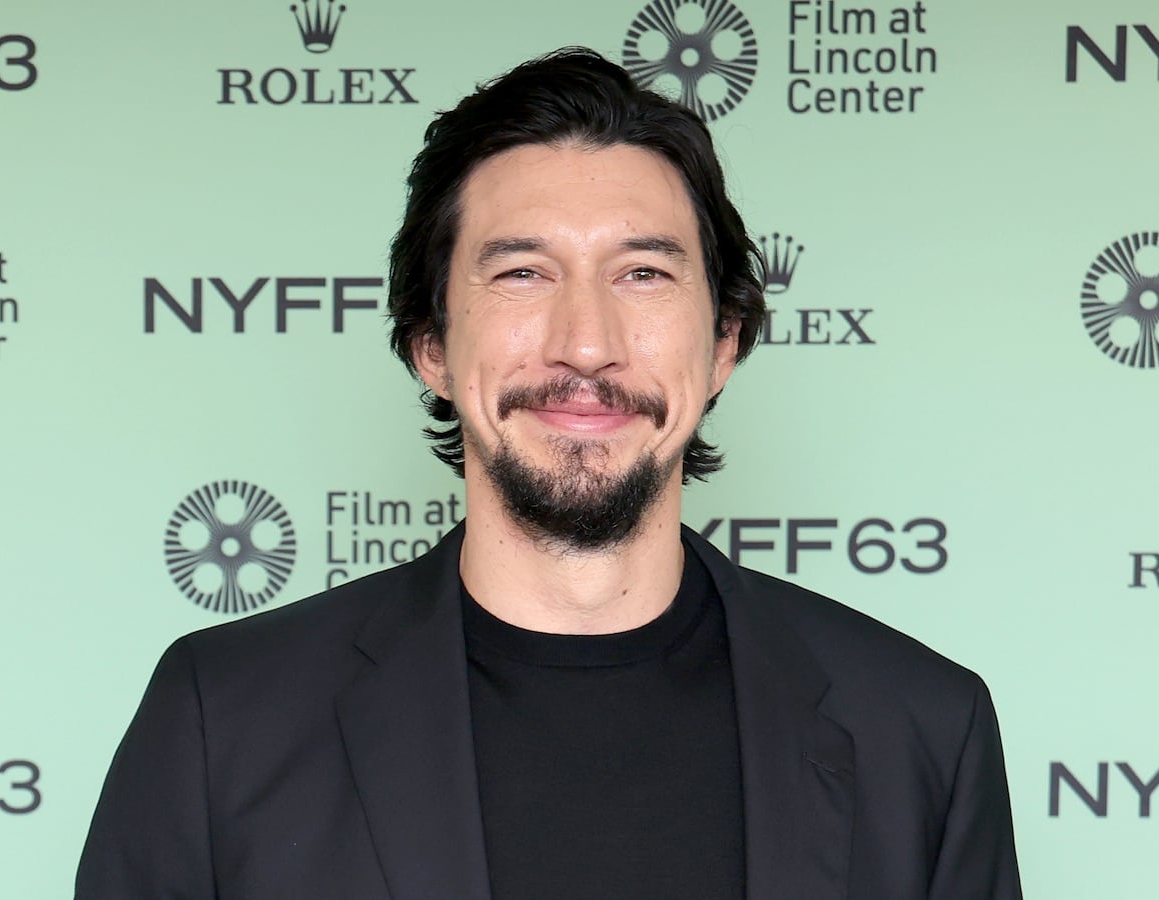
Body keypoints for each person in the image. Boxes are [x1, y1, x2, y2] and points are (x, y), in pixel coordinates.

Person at [76, 47, 1022, 900]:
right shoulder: (222, 720)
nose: (586, 344)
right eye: (523, 273)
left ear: (724, 343)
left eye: (643, 274)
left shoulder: (922, 729)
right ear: (431, 346)